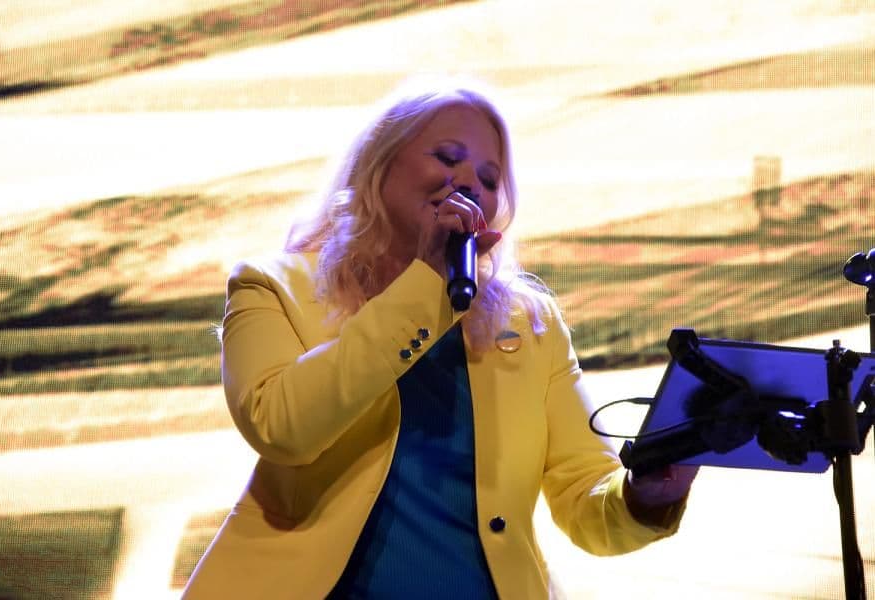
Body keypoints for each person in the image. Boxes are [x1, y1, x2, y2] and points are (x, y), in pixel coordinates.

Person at [183, 80, 698, 599]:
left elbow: (586, 498)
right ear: (380, 163)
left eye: (489, 178)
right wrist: (425, 285)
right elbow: (282, 428)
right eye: (448, 157)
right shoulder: (272, 287)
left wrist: (646, 494)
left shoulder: (528, 325)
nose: (469, 182)